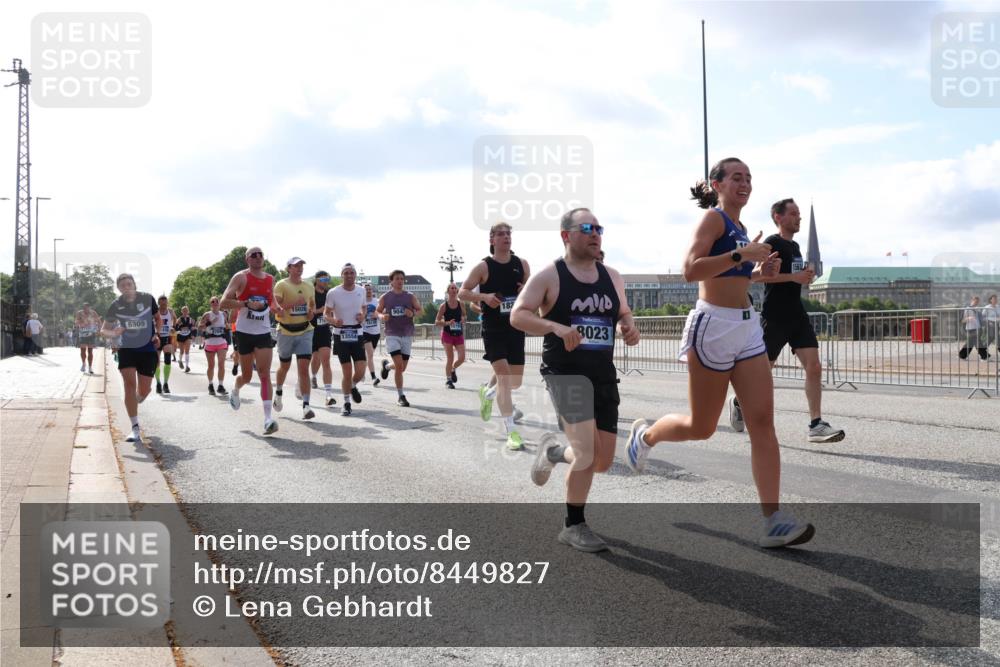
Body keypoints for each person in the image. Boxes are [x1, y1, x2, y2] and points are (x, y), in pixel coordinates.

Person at [623, 157, 815, 549]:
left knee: (762, 421)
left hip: (746, 327)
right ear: (718, 184)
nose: (745, 183)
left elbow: (736, 274)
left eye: (749, 178)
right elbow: (691, 270)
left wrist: (761, 268)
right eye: (736, 177)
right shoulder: (713, 220)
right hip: (712, 326)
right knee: (702, 426)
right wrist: (743, 255)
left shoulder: (743, 229)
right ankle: (645, 436)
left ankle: (773, 520)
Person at [512, 208, 640, 553]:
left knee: (601, 460)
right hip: (565, 373)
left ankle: (553, 452)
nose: (596, 233)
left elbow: (623, 310)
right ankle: (574, 524)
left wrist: (629, 325)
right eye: (587, 228)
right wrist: (554, 326)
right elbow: (518, 315)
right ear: (566, 235)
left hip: (602, 373)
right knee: (585, 453)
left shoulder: (612, 276)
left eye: (599, 228)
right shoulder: (549, 276)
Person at [750, 197, 845, 443]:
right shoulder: (772, 243)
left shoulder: (796, 248)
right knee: (763, 372)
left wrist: (805, 277)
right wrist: (795, 277)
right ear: (778, 218)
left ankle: (816, 424)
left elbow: (794, 277)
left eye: (799, 213)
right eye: (793, 213)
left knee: (814, 367)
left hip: (797, 315)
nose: (798, 217)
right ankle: (741, 402)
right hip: (775, 316)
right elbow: (758, 278)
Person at [459, 222, 531, 450]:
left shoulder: (522, 264)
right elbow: (462, 292)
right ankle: (512, 432)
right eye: (501, 234)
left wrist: (525, 290)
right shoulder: (483, 266)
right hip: (493, 329)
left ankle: (487, 393)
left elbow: (532, 290)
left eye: (509, 233)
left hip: (516, 328)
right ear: (492, 240)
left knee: (514, 382)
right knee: (504, 377)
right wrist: (485, 297)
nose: (506, 237)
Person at [220, 246, 282, 435]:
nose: (257, 257)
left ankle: (267, 419)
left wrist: (276, 308)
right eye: (253, 255)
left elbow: (271, 301)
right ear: (247, 259)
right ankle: (236, 389)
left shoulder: (270, 279)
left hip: (263, 332)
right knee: (247, 376)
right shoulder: (241, 277)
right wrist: (246, 303)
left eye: (260, 254)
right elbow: (224, 302)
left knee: (264, 374)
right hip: (244, 332)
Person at [101, 273, 161, 443]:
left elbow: (157, 318)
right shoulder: (116, 305)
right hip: (126, 348)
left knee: (144, 390)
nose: (126, 288)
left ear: (134, 285)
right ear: (119, 289)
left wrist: (156, 333)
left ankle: (140, 396)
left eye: (129, 284)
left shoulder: (148, 299)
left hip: (147, 349)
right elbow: (103, 330)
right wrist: (113, 333)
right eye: (123, 286)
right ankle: (135, 428)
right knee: (129, 385)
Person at [273, 257, 316, 420]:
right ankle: (278, 393)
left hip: (305, 330)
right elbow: (275, 309)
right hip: (285, 331)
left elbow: (311, 308)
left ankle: (306, 406)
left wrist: (310, 313)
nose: (299, 268)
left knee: (304, 368)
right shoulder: (281, 285)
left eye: (301, 266)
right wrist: (293, 304)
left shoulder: (308, 285)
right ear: (288, 268)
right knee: (284, 366)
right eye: (296, 266)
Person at [326, 263, 368, 416]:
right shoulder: (333, 292)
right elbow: (326, 313)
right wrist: (333, 321)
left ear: (355, 275)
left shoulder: (361, 290)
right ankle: (346, 403)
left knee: (361, 370)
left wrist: (363, 316)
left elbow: (364, 307)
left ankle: (352, 385)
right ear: (342, 275)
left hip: (357, 332)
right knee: (347, 371)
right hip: (340, 333)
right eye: (346, 273)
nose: (349, 275)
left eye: (352, 273)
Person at [377, 269, 420, 407]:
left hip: (407, 334)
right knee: (400, 366)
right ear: (391, 281)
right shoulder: (385, 297)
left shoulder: (410, 296)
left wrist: (412, 312)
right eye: (397, 279)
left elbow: (420, 310)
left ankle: (387, 366)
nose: (400, 281)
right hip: (392, 334)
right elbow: (376, 312)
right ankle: (401, 396)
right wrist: (382, 316)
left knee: (402, 368)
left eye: (402, 278)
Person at [308, 270, 338, 407]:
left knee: (326, 359)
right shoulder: (310, 292)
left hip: (325, 329)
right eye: (323, 280)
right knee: (315, 358)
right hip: (311, 329)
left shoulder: (329, 294)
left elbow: (333, 309)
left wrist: (332, 317)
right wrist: (323, 310)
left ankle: (328, 394)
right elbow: (312, 311)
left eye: (327, 280)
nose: (325, 282)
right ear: (317, 280)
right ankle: (313, 376)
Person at [435, 282, 468, 389]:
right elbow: (437, 321)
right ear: (448, 291)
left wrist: (463, 319)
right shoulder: (443, 306)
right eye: (452, 288)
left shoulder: (461, 304)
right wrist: (448, 323)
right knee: (450, 357)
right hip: (447, 334)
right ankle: (448, 380)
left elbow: (464, 316)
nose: (454, 290)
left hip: (458, 333)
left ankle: (453, 369)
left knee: (462, 358)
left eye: (455, 288)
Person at [199, 296, 229, 396]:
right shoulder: (207, 315)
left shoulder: (224, 314)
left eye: (217, 301)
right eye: (213, 301)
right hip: (210, 343)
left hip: (221, 342)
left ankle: (220, 386)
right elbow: (199, 327)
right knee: (211, 365)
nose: (215, 303)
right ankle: (211, 385)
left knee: (221, 364)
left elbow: (226, 325)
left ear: (219, 303)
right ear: (210, 304)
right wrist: (210, 322)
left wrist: (227, 327)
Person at [153, 296, 176, 394]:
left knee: (167, 360)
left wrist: (173, 327)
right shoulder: (155, 311)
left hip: (167, 337)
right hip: (157, 337)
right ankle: (158, 383)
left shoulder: (170, 311)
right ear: (159, 303)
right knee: (156, 362)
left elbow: (175, 319)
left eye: (165, 303)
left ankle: (166, 383)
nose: (164, 305)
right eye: (162, 304)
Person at [362, 283, 382, 386]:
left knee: (368, 356)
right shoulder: (361, 302)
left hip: (376, 332)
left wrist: (377, 315)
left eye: (370, 289)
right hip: (365, 332)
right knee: (370, 354)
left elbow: (382, 313)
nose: (368, 291)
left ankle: (360, 373)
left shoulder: (377, 301)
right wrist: (364, 315)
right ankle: (374, 377)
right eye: (366, 289)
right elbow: (358, 316)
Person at [75, 303, 102, 373]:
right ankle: (83, 364)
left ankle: (90, 367)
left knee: (90, 351)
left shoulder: (93, 313)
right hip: (82, 334)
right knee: (82, 350)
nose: (86, 310)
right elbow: (76, 322)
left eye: (87, 308)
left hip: (91, 334)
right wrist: (82, 322)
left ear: (89, 308)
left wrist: (99, 330)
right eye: (84, 308)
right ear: (83, 308)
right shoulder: (79, 313)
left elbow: (99, 321)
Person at [959, 296, 986, 360]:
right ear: (972, 300)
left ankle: (962, 355)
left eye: (977, 302)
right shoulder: (967, 309)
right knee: (977, 342)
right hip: (970, 328)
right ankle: (984, 356)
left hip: (978, 328)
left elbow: (981, 319)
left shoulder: (978, 309)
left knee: (971, 343)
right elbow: (962, 320)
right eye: (975, 301)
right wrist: (968, 318)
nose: (976, 303)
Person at [175, 306, 195, 373]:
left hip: (187, 336)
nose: (185, 312)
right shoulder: (179, 319)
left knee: (187, 351)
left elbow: (193, 327)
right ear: (182, 312)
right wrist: (179, 330)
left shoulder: (190, 319)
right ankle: (180, 361)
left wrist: (193, 333)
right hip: (180, 336)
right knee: (181, 351)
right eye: (184, 311)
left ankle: (187, 366)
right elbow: (176, 327)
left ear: (188, 311)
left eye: (186, 311)